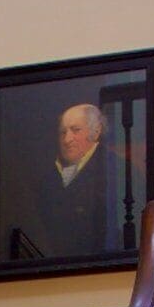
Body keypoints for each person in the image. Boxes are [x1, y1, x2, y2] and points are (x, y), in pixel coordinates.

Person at [20, 100, 127, 264]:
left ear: (96, 132)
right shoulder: (47, 180)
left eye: (75, 130)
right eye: (63, 132)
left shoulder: (115, 170)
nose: (67, 139)